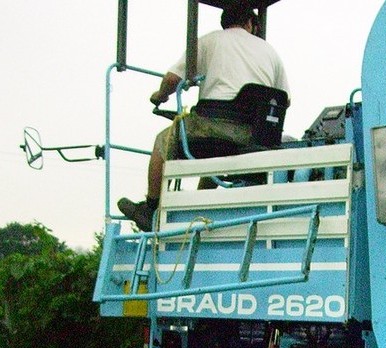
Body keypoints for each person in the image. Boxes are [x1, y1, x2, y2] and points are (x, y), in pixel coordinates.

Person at [117, 5, 290, 232]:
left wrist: (160, 95)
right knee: (215, 150)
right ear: (251, 23)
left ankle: (151, 208)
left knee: (163, 141)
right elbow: (285, 100)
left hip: (214, 126)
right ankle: (201, 200)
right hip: (254, 136)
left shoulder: (210, 41)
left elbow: (171, 79)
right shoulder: (271, 52)